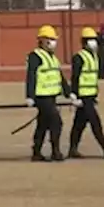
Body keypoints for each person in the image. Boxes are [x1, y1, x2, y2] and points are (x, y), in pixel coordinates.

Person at [68, 27, 104, 159]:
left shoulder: (94, 57)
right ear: (84, 42)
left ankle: (72, 149)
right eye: (91, 40)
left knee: (79, 124)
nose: (94, 43)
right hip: (83, 97)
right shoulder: (79, 57)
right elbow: (75, 77)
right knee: (95, 123)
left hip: (90, 96)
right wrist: (74, 95)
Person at [25, 25, 69, 162]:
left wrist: (69, 93)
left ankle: (36, 151)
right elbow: (31, 76)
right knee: (56, 122)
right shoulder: (35, 56)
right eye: (50, 39)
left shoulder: (53, 58)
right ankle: (56, 151)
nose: (53, 42)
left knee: (43, 123)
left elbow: (60, 76)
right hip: (41, 96)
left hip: (51, 95)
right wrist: (30, 96)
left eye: (54, 39)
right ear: (42, 40)